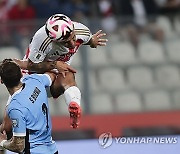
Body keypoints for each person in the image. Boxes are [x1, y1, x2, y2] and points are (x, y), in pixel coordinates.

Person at [14, 13, 108, 128]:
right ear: (54, 40)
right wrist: (54, 64)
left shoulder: (82, 30)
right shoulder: (41, 40)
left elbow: (88, 40)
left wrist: (93, 41)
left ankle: (74, 104)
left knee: (68, 74)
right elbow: (31, 65)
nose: (72, 44)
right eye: (66, 42)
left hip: (55, 80)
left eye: (72, 37)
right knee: (14, 125)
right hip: (33, 81)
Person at [0, 58, 58, 154]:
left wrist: (2, 142)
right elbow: (52, 75)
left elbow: (18, 146)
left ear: (1, 81)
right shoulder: (35, 80)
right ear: (21, 74)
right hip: (52, 149)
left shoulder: (15, 108)